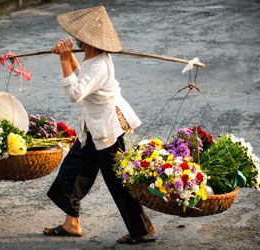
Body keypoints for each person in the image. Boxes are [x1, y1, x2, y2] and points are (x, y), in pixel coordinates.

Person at [43, 6, 156, 244]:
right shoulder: (94, 59)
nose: (76, 41)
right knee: (72, 171)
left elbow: (76, 93)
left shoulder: (98, 65)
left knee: (118, 181)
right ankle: (71, 222)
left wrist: (64, 59)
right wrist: (68, 57)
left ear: (90, 41)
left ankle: (142, 229)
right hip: (93, 128)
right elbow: (82, 74)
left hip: (106, 130)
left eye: (80, 39)